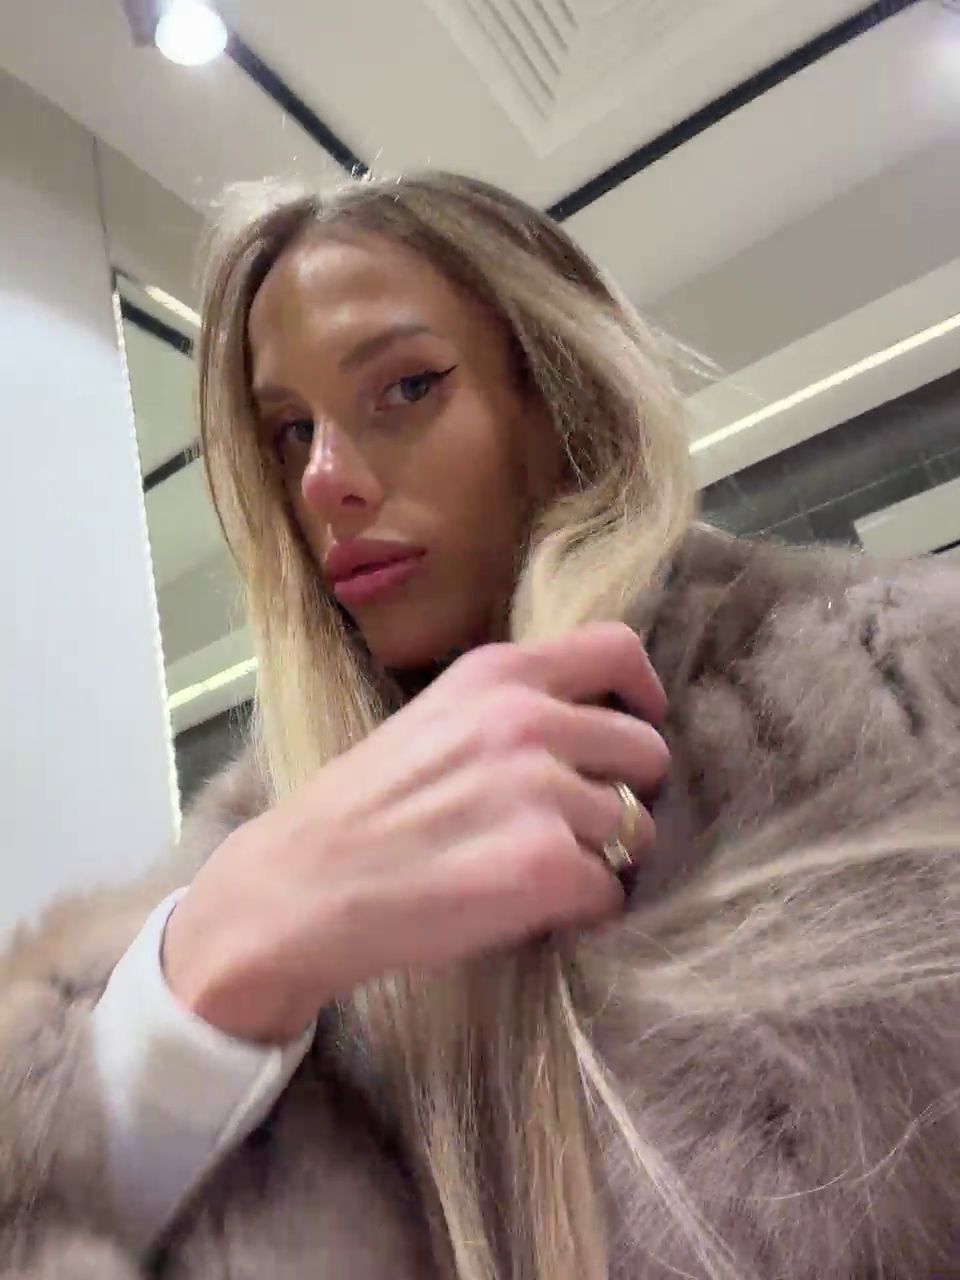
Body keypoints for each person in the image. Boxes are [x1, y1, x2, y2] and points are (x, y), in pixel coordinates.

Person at [1, 171, 959, 1280]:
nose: (323, 479)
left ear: (559, 399)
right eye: (289, 430)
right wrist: (215, 960)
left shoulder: (914, 694)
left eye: (406, 387)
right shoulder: (253, 855)